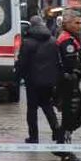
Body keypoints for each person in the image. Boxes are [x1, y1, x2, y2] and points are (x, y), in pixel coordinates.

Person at [54, 10, 81, 161]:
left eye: (80, 23)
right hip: (68, 84)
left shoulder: (70, 38)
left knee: (76, 116)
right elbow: (70, 65)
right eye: (76, 23)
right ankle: (65, 150)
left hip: (71, 83)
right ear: (66, 23)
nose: (79, 26)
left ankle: (60, 143)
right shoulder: (66, 40)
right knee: (72, 117)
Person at [16, 15, 61, 147]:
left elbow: (22, 62)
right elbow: (57, 62)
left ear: (31, 26)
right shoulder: (53, 41)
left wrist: (18, 77)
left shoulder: (28, 42)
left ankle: (33, 136)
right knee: (47, 106)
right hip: (49, 81)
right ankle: (57, 131)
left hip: (32, 81)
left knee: (32, 109)